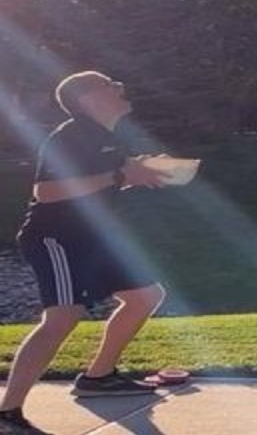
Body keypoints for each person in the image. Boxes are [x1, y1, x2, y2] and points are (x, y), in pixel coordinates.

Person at [1, 71, 171, 434]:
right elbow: (47, 191)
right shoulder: (71, 135)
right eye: (111, 85)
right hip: (56, 238)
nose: (121, 88)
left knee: (146, 296)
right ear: (89, 99)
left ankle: (98, 377)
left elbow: (101, 183)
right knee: (62, 317)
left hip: (93, 238)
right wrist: (117, 177)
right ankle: (8, 413)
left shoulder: (106, 137)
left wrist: (136, 172)